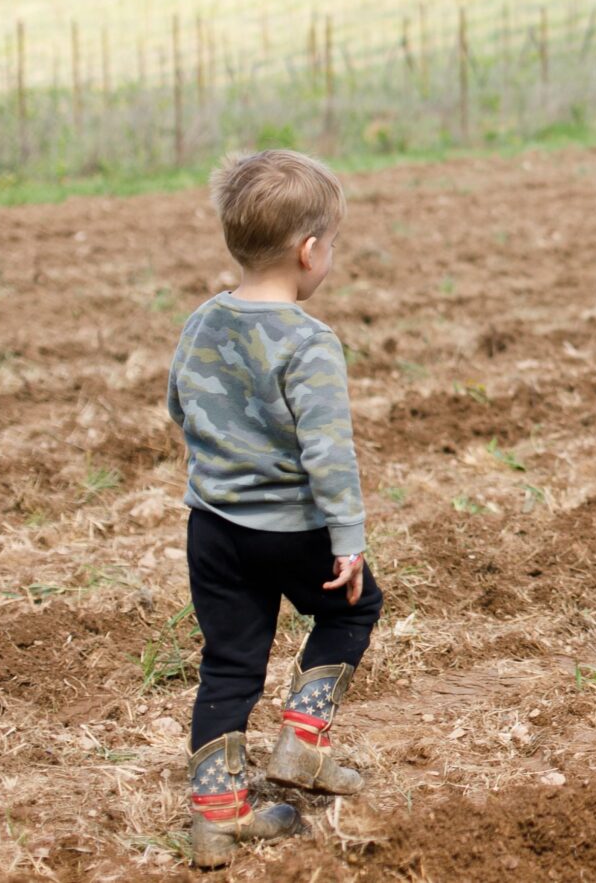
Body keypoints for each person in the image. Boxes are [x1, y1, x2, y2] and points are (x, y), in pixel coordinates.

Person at [167, 149, 382, 869]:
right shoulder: (309, 342)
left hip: (213, 529)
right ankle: (304, 740)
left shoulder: (203, 320)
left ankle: (216, 821)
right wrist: (346, 538)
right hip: (290, 530)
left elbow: (180, 405)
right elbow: (329, 453)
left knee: (228, 663)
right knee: (352, 609)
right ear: (309, 250)